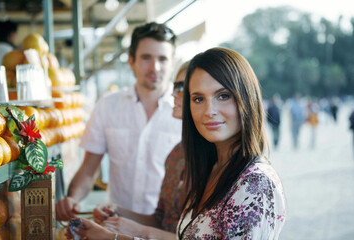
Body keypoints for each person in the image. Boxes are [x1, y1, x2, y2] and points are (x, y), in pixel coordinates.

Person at [56, 22, 182, 221]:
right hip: (116, 223)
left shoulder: (188, 112)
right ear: (131, 61)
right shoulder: (108, 106)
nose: (155, 67)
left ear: (173, 63)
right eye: (146, 58)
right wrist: (72, 199)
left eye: (163, 59)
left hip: (166, 228)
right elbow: (89, 170)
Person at [66, 62, 189, 240]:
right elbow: (161, 220)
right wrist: (118, 212)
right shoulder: (176, 154)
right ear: (132, 61)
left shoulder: (214, 160)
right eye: (176, 86)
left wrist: (122, 233)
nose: (173, 93)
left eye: (182, 87)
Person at [177, 47, 286, 239]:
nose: (209, 110)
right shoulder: (212, 168)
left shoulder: (255, 183)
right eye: (198, 99)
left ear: (246, 98)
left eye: (223, 96)